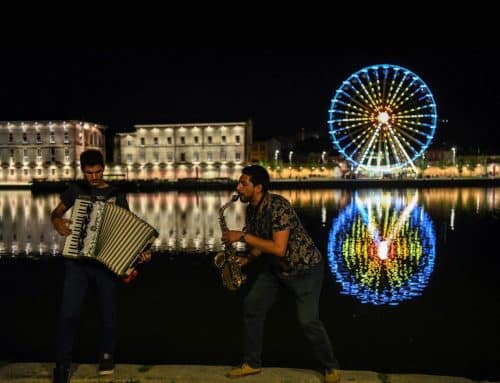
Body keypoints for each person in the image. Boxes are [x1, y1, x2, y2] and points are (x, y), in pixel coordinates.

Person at [221, 165, 341, 383]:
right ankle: (252, 363)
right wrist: (246, 259)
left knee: (308, 321)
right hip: (276, 269)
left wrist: (241, 237)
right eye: (239, 183)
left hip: (305, 269)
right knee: (252, 305)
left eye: (243, 183)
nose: (238, 187)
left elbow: (278, 248)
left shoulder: (279, 206)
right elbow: (261, 243)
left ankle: (330, 366)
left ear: (258, 187)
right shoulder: (252, 210)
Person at [50, 149, 151, 383]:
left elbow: (129, 229)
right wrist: (57, 222)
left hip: (106, 264)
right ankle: (62, 366)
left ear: (103, 169)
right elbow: (56, 213)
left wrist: (142, 251)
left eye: (97, 172)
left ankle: (106, 356)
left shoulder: (116, 195)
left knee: (108, 312)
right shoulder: (76, 191)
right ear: (83, 171)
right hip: (77, 262)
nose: (93, 177)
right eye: (89, 173)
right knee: (68, 314)